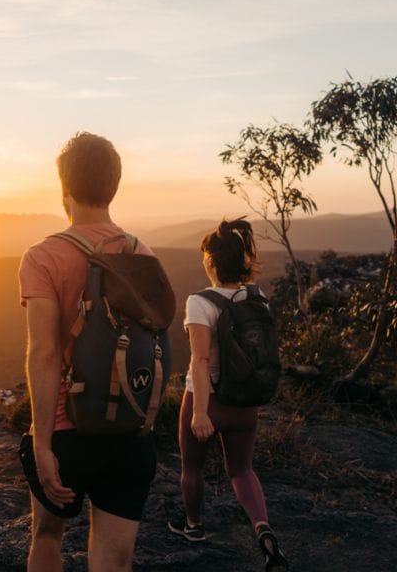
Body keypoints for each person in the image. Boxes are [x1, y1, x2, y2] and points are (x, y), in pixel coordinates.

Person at [17, 132, 158, 572]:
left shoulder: (43, 257)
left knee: (46, 537)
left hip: (67, 431)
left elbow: (43, 354)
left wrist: (42, 444)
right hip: (130, 434)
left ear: (65, 188)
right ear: (113, 186)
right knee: (115, 562)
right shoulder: (142, 254)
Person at [167, 218, 289, 571]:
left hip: (208, 401)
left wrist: (200, 412)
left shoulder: (199, 302)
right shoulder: (257, 296)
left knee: (192, 466)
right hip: (246, 401)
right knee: (241, 471)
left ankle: (192, 526)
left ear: (212, 262)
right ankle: (263, 530)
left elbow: (201, 360)